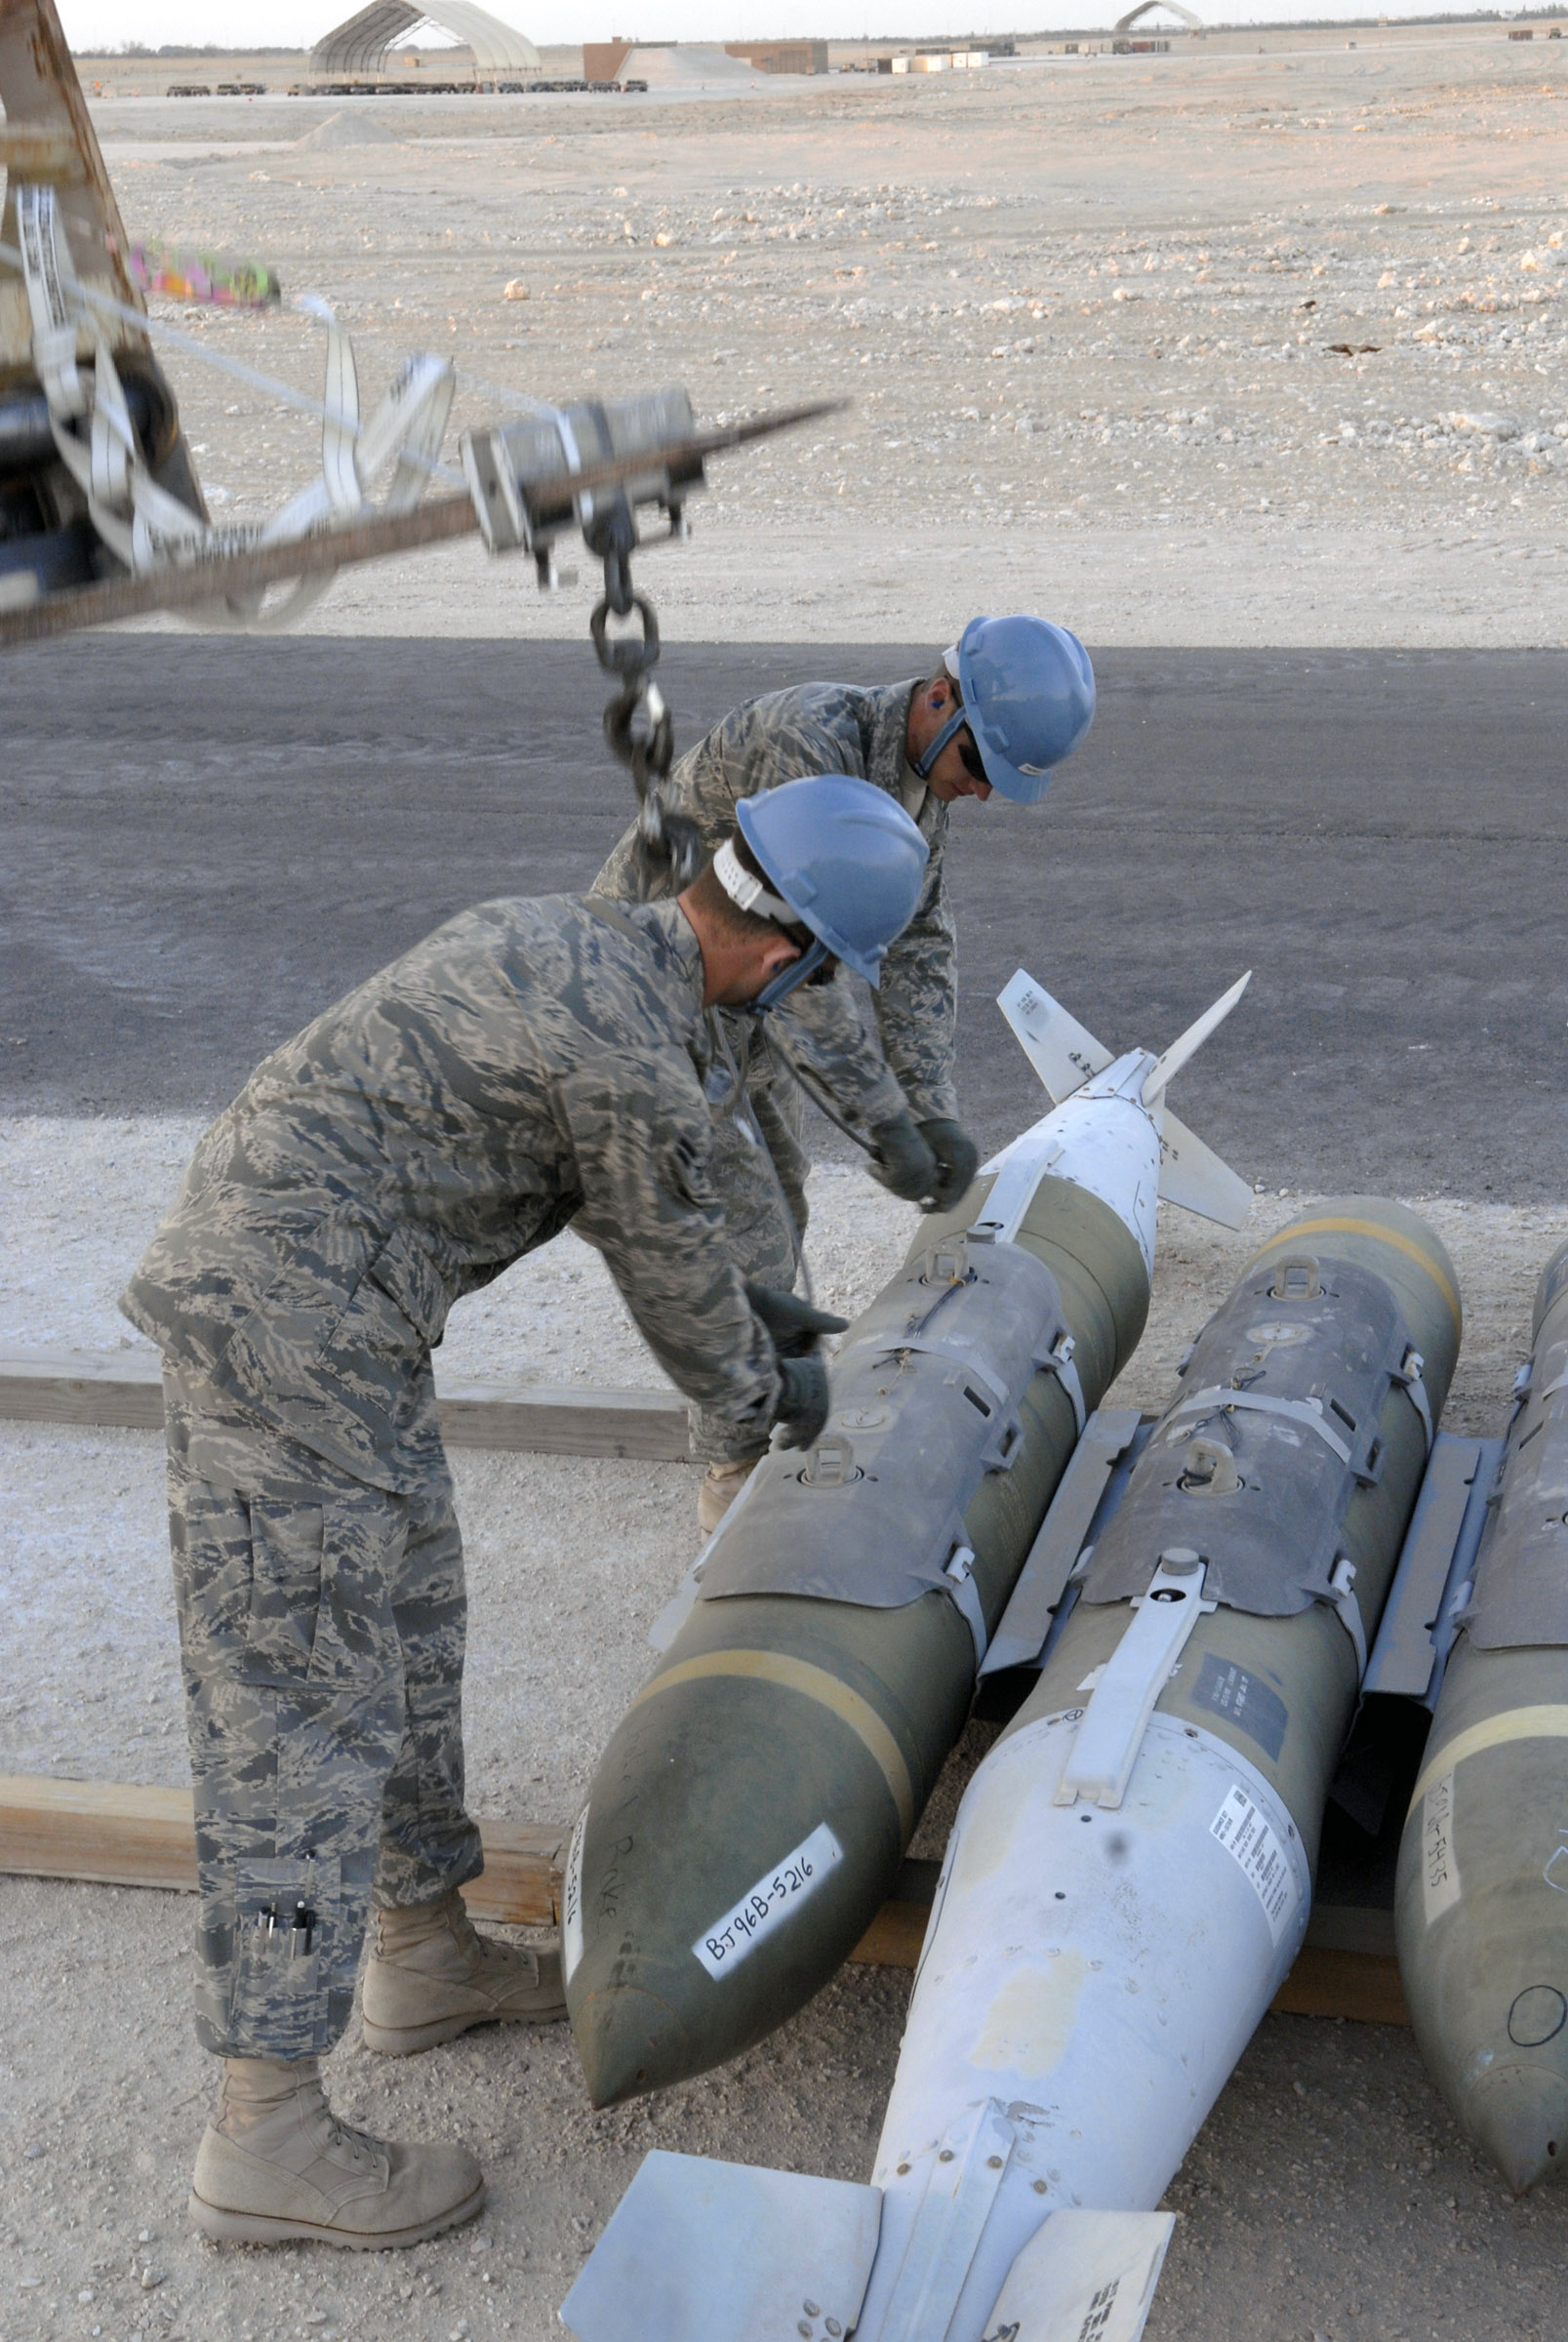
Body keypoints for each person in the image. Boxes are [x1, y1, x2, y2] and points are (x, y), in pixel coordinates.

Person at [120, 774, 927, 2252]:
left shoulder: (584, 939)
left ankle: (419, 1952)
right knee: (297, 1709)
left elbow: (652, 1218)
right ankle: (263, 2131)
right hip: (282, 1327)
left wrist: (744, 1306)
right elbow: (677, 1292)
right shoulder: (629, 1047)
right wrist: (773, 1391)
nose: (799, 1001)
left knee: (414, 1625)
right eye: (814, 979)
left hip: (348, 1322)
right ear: (781, 953)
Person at [594, 612, 1097, 1535]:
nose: (981, 791)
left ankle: (751, 1410)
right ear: (939, 699)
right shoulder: (813, 742)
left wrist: (929, 1106)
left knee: (782, 1201)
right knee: (745, 1232)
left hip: (750, 994)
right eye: (979, 764)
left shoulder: (918, 787)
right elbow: (807, 971)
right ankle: (732, 1475)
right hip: (659, 992)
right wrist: (882, 1122)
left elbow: (917, 942)